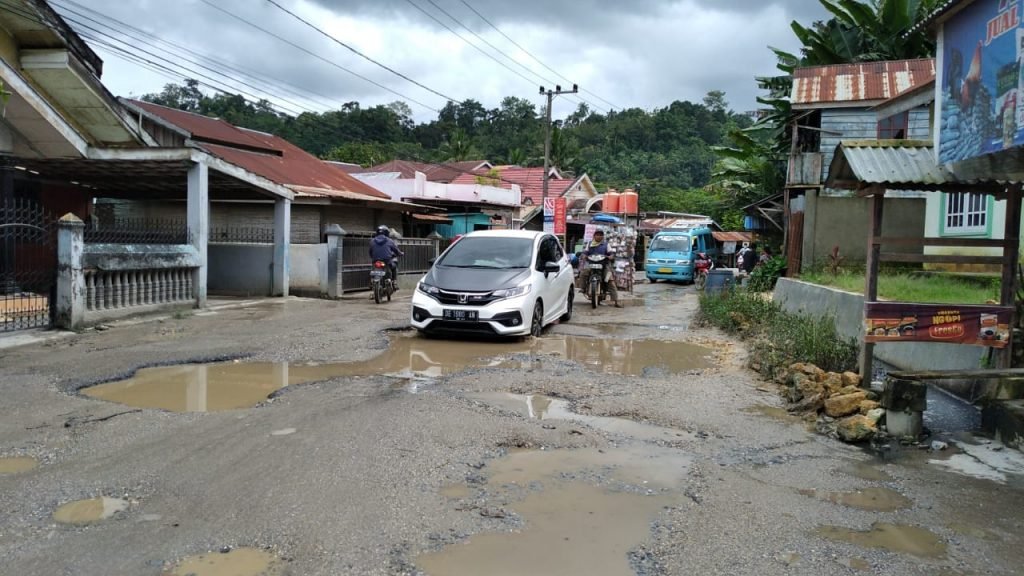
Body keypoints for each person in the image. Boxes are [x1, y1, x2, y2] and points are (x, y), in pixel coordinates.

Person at [577, 229, 622, 308]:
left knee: (610, 280)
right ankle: (583, 288)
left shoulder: (606, 245)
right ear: (594, 236)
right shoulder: (590, 244)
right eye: (597, 235)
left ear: (603, 236)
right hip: (591, 264)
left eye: (601, 235)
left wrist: (610, 256)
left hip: (604, 265)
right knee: (583, 273)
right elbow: (585, 252)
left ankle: (616, 301)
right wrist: (584, 255)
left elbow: (611, 253)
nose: (599, 236)